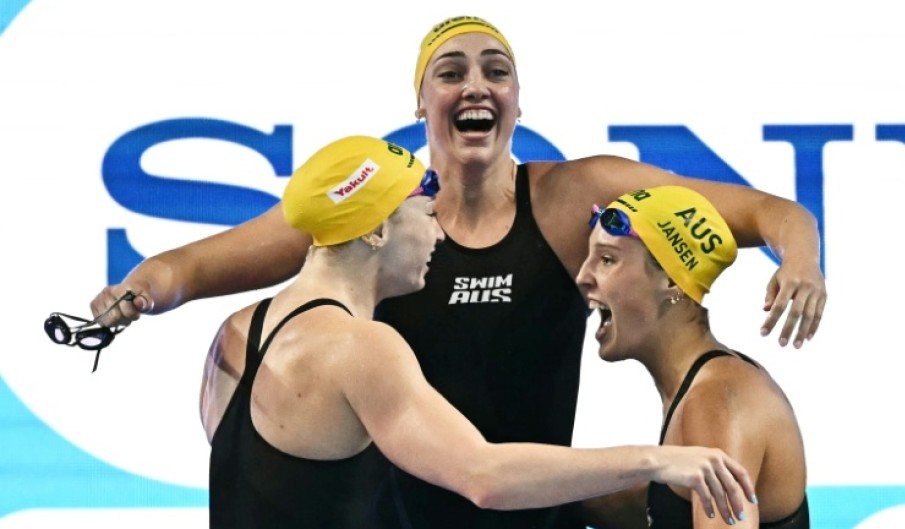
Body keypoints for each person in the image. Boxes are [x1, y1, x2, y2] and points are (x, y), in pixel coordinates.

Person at [91, 15, 825, 529]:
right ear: (421, 103)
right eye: (451, 72)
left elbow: (766, 210)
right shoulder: (372, 207)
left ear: (517, 101)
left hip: (529, 504)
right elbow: (187, 266)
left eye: (496, 71)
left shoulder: (572, 199)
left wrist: (801, 257)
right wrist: (134, 294)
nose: (476, 85)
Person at [201, 135, 756, 528]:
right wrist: (658, 459)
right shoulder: (361, 348)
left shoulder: (237, 331)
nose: (437, 233)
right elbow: (484, 476)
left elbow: (270, 493)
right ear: (374, 231)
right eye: (424, 212)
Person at [576, 186, 810, 529]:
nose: (583, 277)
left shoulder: (716, 403)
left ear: (672, 280)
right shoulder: (704, 385)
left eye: (607, 259)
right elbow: (664, 505)